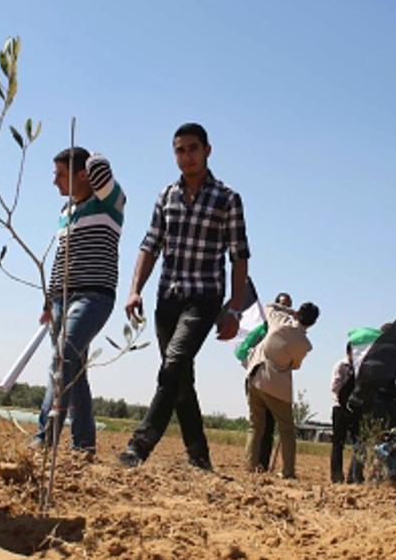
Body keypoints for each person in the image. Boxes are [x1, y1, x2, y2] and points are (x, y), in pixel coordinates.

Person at [118, 123, 251, 470]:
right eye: (180, 150)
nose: (186, 156)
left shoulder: (227, 198)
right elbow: (150, 245)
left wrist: (234, 308)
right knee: (179, 377)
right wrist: (134, 290)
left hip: (204, 298)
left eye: (193, 148)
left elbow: (239, 257)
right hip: (168, 297)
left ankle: (139, 446)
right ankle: (199, 456)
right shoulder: (166, 196)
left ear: (208, 150)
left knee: (173, 363)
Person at [33, 149, 124, 454]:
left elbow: (102, 172)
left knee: (63, 358)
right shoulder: (65, 212)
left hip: (94, 295)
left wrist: (93, 157)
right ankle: (84, 445)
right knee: (74, 371)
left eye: (60, 174)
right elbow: (61, 259)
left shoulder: (110, 202)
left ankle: (43, 438)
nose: (54, 181)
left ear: (83, 175)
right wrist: (48, 301)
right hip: (61, 298)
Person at [245, 302, 319, 478]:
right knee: (286, 430)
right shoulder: (305, 344)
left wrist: (289, 311)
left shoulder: (279, 321)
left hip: (255, 376)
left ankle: (250, 465)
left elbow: (269, 306)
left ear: (298, 313)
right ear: (313, 323)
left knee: (255, 425)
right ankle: (288, 471)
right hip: (278, 386)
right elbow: (295, 365)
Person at [256, 291, 294, 471]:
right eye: (283, 305)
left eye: (289, 305)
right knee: (259, 426)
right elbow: (270, 306)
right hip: (260, 377)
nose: (286, 309)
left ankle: (263, 464)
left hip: (277, 383)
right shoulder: (268, 327)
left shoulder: (292, 330)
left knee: (269, 426)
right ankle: (256, 464)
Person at [329, 342, 357, 483]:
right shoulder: (341, 366)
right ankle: (336, 476)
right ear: (349, 352)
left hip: (355, 409)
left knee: (357, 442)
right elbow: (335, 387)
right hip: (339, 407)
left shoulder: (360, 367)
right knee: (338, 443)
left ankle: (354, 475)